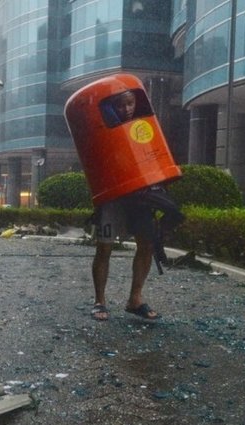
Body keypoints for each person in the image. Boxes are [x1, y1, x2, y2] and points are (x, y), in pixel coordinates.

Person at [89, 91, 183, 321]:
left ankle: (135, 299)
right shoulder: (104, 128)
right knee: (104, 247)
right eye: (120, 105)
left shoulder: (145, 126)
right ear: (112, 107)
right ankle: (100, 301)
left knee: (147, 245)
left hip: (141, 195)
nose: (126, 109)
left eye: (130, 103)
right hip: (113, 196)